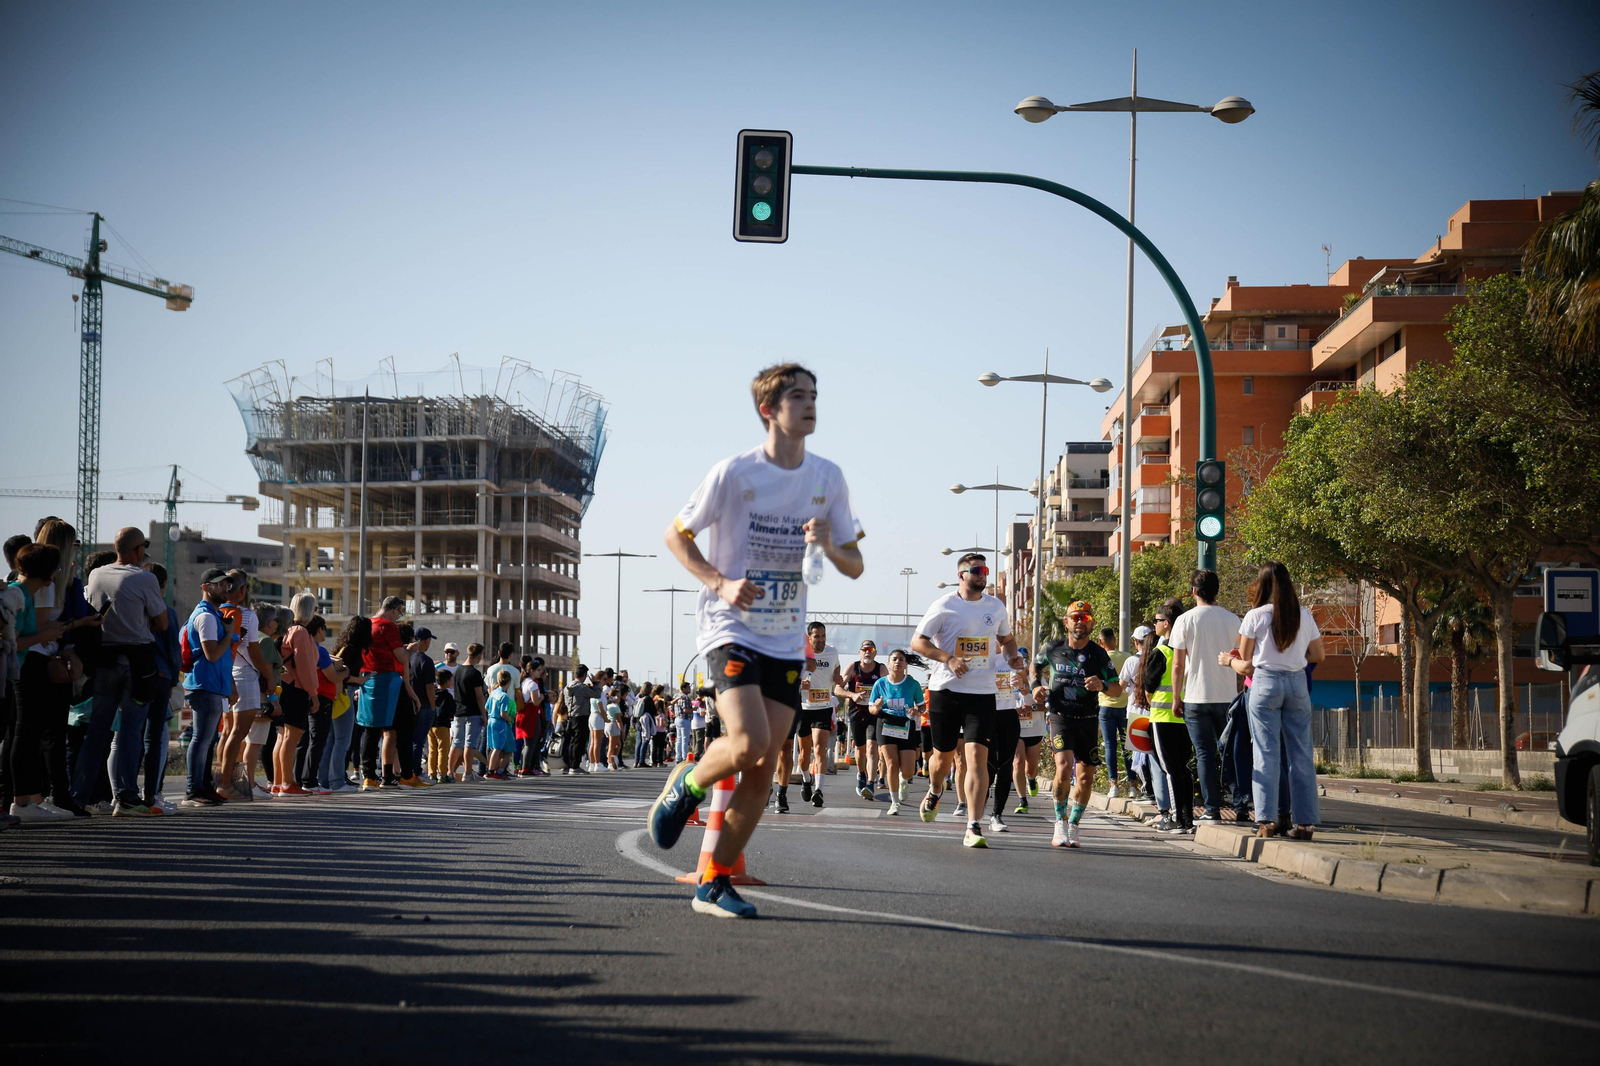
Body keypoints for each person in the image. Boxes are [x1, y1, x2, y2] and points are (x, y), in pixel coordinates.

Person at [650, 362, 864, 919]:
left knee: (767, 767)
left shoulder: (827, 479)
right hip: (730, 626)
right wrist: (719, 582)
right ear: (769, 409)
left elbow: (856, 563)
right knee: (746, 744)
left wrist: (829, 543)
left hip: (787, 637)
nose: (810, 404)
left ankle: (714, 881)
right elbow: (676, 533)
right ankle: (686, 787)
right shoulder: (734, 473)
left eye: (815, 395)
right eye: (798, 396)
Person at [911, 553, 1023, 849]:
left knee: (977, 760)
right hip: (946, 691)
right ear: (961, 574)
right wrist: (948, 658)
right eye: (977, 570)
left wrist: (1013, 656)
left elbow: (1007, 639)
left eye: (986, 570)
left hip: (983, 694)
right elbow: (917, 642)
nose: (983, 574)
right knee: (942, 759)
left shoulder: (996, 607)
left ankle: (973, 825)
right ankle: (936, 789)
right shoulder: (945, 605)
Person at [1221, 562, 1324, 840]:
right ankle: (1305, 824)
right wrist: (1294, 658)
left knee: (1265, 753)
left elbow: (1245, 661)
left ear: (1262, 585)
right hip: (1297, 683)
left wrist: (1229, 660)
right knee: (1301, 754)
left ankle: (1266, 822)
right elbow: (1318, 655)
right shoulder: (1303, 615)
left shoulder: (1255, 616)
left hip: (1265, 684)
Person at [79, 526, 167, 817]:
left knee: (97, 731)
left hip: (104, 659)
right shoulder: (145, 578)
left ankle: (79, 795)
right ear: (138, 550)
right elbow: (162, 622)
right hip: (138, 662)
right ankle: (127, 798)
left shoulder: (96, 575)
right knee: (130, 732)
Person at [1036, 600, 1123, 848]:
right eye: (1075, 617)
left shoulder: (1098, 654)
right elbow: (1035, 668)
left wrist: (1103, 685)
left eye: (1084, 618)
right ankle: (1059, 822)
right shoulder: (1052, 648)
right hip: (1060, 716)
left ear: (1091, 623)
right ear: (1066, 622)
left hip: (1088, 720)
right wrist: (1037, 687)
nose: (1079, 622)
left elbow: (1117, 689)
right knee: (1063, 768)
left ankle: (1074, 824)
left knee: (1085, 779)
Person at [7, 543, 75, 821]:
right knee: (25, 735)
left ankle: (33, 798)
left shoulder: (24, 593)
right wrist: (45, 636)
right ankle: (21, 801)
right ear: (48, 573)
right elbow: (14, 641)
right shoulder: (18, 595)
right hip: (21, 670)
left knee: (31, 734)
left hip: (25, 667)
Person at [1168, 568, 1242, 822]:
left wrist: (1176, 697)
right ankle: (1241, 805)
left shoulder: (1184, 620)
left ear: (1194, 592)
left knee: (1204, 754)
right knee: (1231, 752)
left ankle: (1212, 810)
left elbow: (1178, 665)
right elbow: (1242, 659)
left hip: (1195, 698)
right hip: (1227, 697)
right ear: (1217, 591)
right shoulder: (1234, 620)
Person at [180, 568, 240, 807]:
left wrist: (230, 686)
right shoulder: (205, 616)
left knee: (208, 739)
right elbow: (212, 654)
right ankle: (193, 790)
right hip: (204, 685)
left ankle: (203, 787)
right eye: (219, 584)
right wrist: (229, 633)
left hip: (213, 685)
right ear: (205, 587)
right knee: (201, 739)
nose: (226, 588)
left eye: (227, 584)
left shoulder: (213, 615)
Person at [1145, 601, 1195, 835]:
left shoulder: (1162, 651)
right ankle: (1187, 819)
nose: (1154, 625)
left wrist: (1152, 702)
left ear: (1166, 624)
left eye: (1156, 621)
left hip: (1164, 717)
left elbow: (1148, 686)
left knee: (1170, 769)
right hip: (1186, 718)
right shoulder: (1188, 651)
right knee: (1183, 768)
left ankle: (1175, 818)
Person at [357, 596, 413, 791]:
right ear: (394, 609)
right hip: (387, 679)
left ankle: (369, 776)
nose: (399, 617)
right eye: (399, 612)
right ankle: (402, 774)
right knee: (397, 728)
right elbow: (400, 656)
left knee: (370, 729)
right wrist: (411, 650)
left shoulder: (367, 624)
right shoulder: (388, 627)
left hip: (367, 678)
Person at [867, 649, 922, 816]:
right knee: (891, 763)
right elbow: (871, 708)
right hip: (886, 723)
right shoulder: (880, 684)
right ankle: (894, 802)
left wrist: (916, 711)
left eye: (901, 659)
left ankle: (903, 779)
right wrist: (876, 707)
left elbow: (922, 706)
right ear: (889, 664)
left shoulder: (913, 684)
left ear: (906, 664)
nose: (897, 662)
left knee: (908, 769)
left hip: (906, 725)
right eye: (894, 659)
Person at [793, 621, 840, 810]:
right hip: (804, 707)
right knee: (804, 754)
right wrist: (799, 685)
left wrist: (837, 677)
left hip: (823, 706)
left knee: (820, 749)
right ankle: (806, 779)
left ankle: (819, 790)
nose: (820, 640)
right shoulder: (799, 656)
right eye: (816, 636)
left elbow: (836, 667)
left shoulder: (832, 652)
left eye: (823, 636)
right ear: (809, 637)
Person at [985, 651, 1028, 833]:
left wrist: (1020, 684)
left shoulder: (1014, 655)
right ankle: (977, 806)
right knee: (987, 766)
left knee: (1005, 765)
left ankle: (996, 815)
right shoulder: (979, 650)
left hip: (1008, 713)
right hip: (985, 714)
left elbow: (1025, 688)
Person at [325, 616, 369, 791]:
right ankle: (336, 781)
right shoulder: (351, 649)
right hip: (344, 694)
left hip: (338, 694)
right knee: (342, 740)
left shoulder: (344, 646)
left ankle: (328, 778)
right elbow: (342, 672)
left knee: (332, 740)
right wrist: (360, 679)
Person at [837, 640, 885, 800]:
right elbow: (837, 688)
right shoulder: (853, 667)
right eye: (864, 649)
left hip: (874, 714)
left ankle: (870, 783)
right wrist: (852, 695)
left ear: (875, 653)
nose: (867, 652)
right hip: (857, 713)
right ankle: (861, 774)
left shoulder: (881, 669)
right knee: (860, 749)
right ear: (859, 652)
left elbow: (890, 687)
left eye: (871, 649)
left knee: (872, 747)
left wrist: (881, 701)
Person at [1096, 627, 1137, 800]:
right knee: (1128, 746)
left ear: (1100, 642)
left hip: (1105, 706)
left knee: (1110, 745)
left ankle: (1114, 786)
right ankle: (1134, 786)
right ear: (1115, 639)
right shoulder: (1127, 656)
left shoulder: (1098, 658)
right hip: (1125, 707)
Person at [448, 643, 487, 782]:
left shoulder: (457, 671)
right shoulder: (474, 673)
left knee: (456, 743)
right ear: (478, 656)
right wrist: (484, 714)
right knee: (470, 744)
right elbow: (479, 696)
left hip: (458, 711)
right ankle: (468, 773)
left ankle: (450, 772)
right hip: (473, 712)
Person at [405, 628, 438, 784]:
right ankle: (416, 771)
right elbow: (430, 687)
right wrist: (433, 706)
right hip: (424, 704)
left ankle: (408, 770)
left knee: (410, 739)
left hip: (409, 703)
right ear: (425, 641)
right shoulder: (426, 661)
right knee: (419, 741)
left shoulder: (408, 658)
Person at [1013, 682, 1047, 815]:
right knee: (1017, 762)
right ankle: (1022, 801)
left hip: (1035, 729)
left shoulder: (1037, 681)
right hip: (1015, 728)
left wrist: (1032, 707)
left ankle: (1032, 779)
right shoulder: (1005, 673)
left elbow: (1049, 706)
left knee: (1030, 769)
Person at [560, 665, 596, 775]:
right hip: (581, 716)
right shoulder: (582, 687)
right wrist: (595, 684)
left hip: (570, 716)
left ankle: (570, 764)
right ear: (584, 675)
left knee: (572, 741)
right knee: (579, 742)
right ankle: (575, 766)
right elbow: (597, 694)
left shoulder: (567, 687)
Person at [485, 672, 515, 777]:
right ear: (509, 682)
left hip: (491, 720)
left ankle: (491, 768)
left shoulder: (493, 693)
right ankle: (492, 771)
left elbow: (486, 706)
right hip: (500, 722)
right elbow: (503, 713)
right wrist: (510, 718)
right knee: (498, 748)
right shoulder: (504, 696)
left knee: (493, 747)